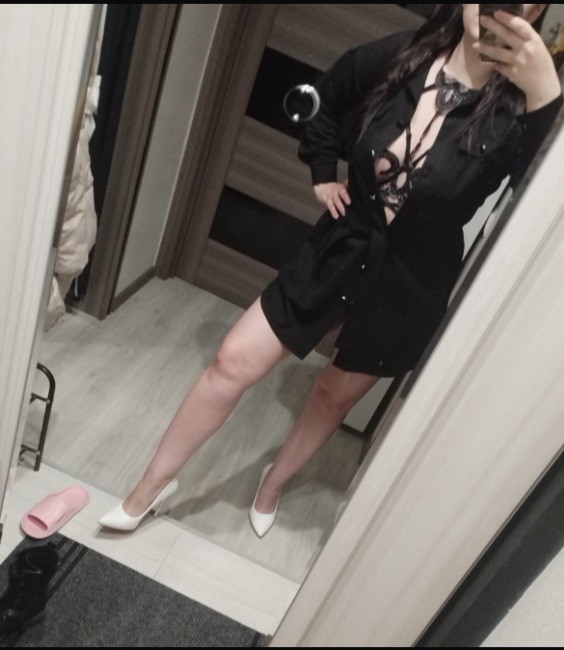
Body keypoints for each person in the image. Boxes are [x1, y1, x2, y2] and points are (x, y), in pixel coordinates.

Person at [99, 4, 563, 537]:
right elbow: (321, 100)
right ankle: (150, 487)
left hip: (411, 281)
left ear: (539, 10)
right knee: (232, 361)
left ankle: (272, 485)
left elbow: (538, 216)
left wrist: (547, 99)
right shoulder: (403, 55)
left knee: (331, 397)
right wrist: (322, 171)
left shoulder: (523, 111)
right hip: (341, 246)